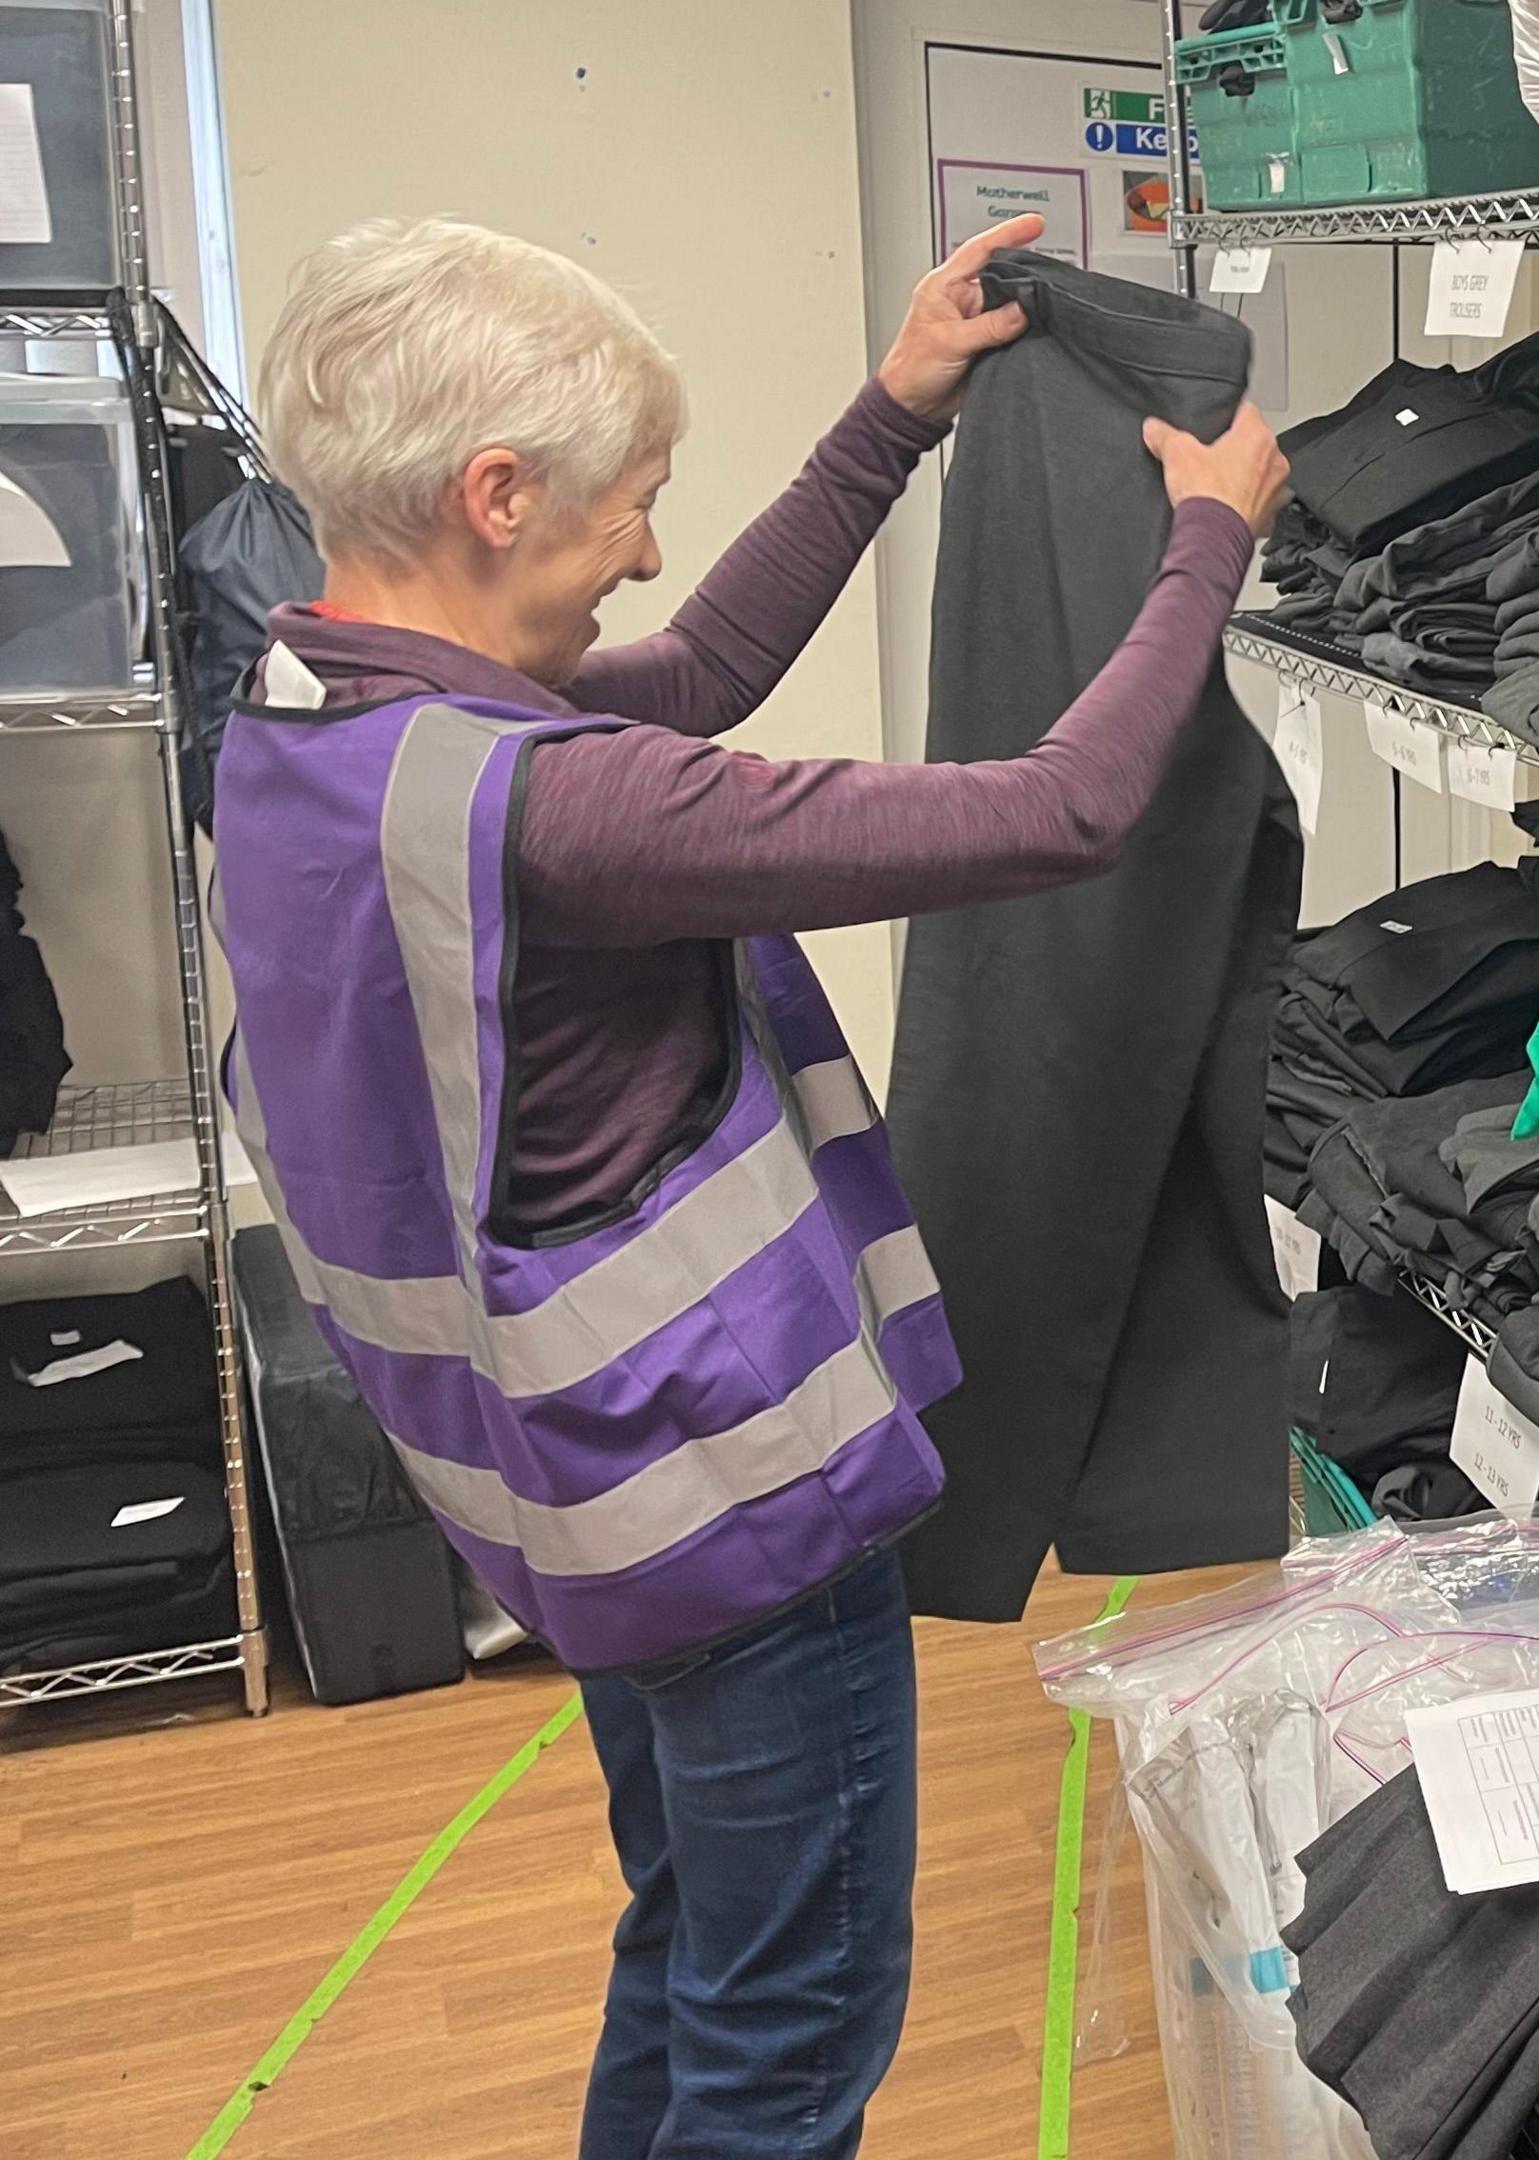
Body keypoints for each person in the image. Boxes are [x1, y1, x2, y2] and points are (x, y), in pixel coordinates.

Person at [208, 211, 1286, 2158]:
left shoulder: (317, 732)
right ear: (493, 492)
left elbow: (690, 668)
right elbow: (1065, 808)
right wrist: (1208, 534)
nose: (643, 552)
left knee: (700, 1940)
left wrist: (895, 410)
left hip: (580, 1516)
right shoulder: (561, 809)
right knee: (791, 2035)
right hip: (736, 1520)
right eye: (629, 509)